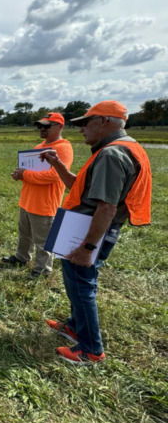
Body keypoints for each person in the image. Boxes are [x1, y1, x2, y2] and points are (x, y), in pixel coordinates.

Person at [40, 101, 152, 365]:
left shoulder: (112, 155)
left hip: (89, 231)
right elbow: (80, 188)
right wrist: (56, 164)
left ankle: (91, 350)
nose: (80, 130)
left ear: (105, 121)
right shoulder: (122, 148)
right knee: (77, 282)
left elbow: (107, 207)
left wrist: (87, 247)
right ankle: (74, 327)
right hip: (87, 227)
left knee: (81, 285)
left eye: (85, 123)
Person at [1, 112, 74, 278]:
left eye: (47, 126)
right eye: (40, 125)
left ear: (60, 126)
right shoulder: (38, 147)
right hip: (27, 200)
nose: (42, 128)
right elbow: (30, 171)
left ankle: (42, 271)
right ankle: (22, 258)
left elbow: (54, 175)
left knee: (43, 241)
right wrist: (19, 173)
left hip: (45, 204)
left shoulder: (63, 148)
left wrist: (25, 174)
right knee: (24, 233)